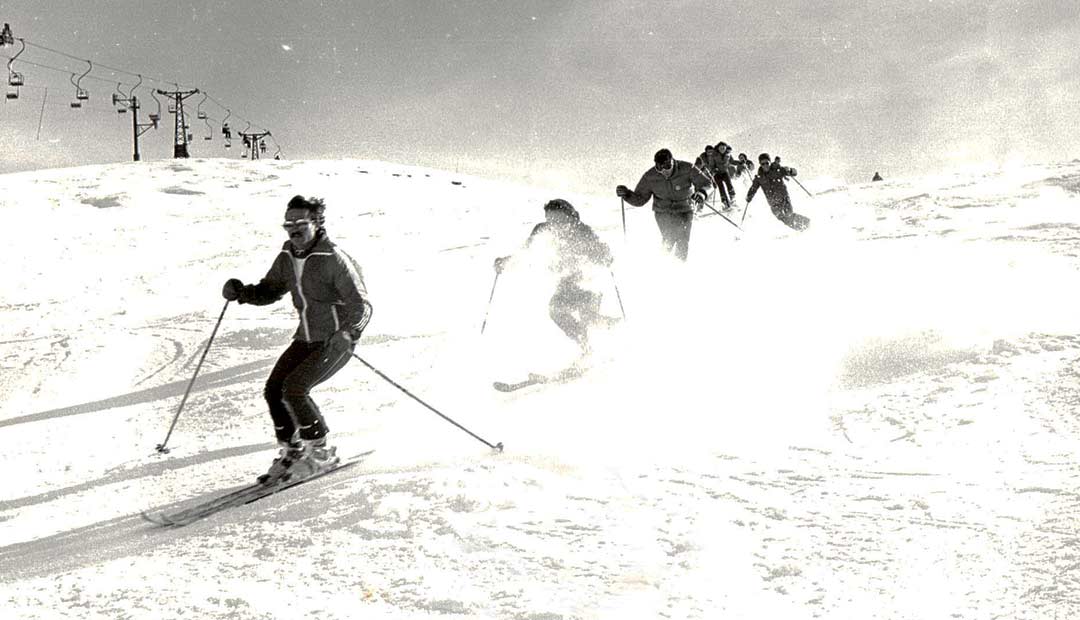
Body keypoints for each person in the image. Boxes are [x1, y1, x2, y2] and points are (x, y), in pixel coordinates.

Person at [222, 195, 372, 485]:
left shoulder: (333, 259)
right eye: (287, 224)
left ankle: (322, 453)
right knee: (273, 389)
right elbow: (269, 290)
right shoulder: (287, 257)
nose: (293, 229)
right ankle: (293, 451)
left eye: (299, 223)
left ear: (315, 222)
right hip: (305, 338)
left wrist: (348, 333)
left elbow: (362, 305)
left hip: (334, 341)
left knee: (295, 389)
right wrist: (242, 293)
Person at [494, 199, 614, 355]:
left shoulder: (583, 232)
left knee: (590, 319)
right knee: (556, 310)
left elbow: (601, 253)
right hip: (565, 283)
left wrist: (605, 256)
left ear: (570, 217)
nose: (556, 225)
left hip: (588, 283)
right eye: (551, 221)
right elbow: (526, 251)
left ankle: (621, 328)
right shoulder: (542, 231)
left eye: (559, 220)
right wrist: (506, 262)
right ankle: (587, 351)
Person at [616, 148, 713, 260]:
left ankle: (679, 266)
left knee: (683, 239)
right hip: (663, 211)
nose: (664, 171)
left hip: (685, 209)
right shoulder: (650, 176)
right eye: (659, 168)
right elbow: (640, 199)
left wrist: (702, 193)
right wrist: (627, 194)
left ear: (673, 162)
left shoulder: (687, 168)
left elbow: (707, 183)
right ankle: (662, 263)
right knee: (669, 238)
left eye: (667, 167)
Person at [745, 153, 809, 231]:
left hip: (783, 198)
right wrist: (749, 196)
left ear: (770, 162)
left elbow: (794, 172)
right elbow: (753, 188)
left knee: (789, 215)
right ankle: (803, 228)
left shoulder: (777, 170)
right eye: (763, 164)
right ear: (760, 164)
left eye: (767, 163)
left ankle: (807, 225)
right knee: (782, 218)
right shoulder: (759, 177)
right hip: (773, 202)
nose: (765, 165)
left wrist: (790, 170)